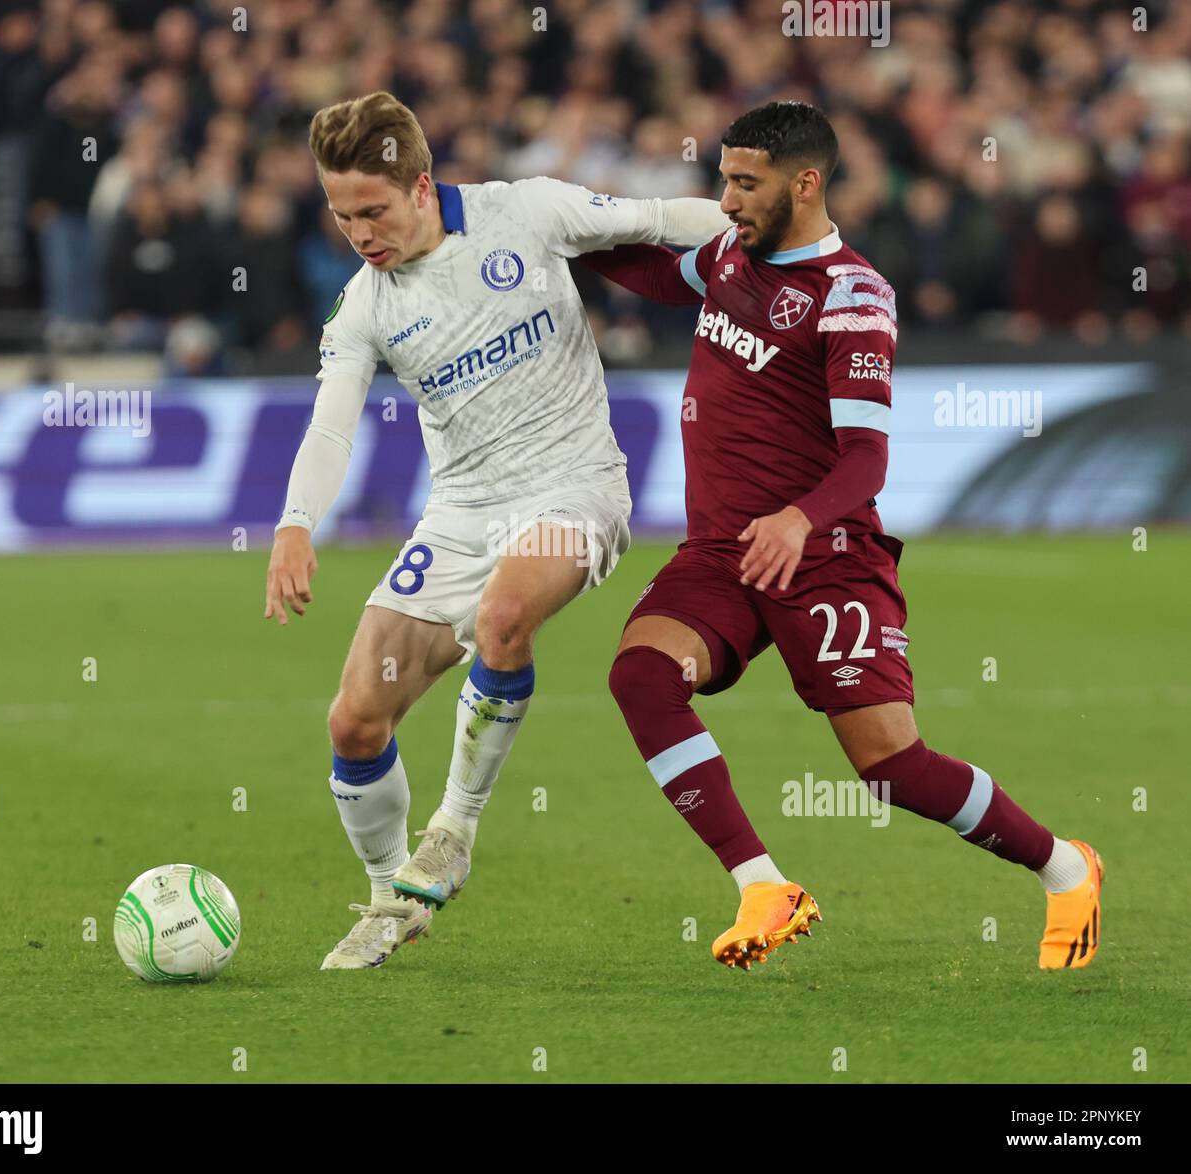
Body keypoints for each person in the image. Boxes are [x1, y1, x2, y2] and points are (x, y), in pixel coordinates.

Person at [583, 101, 1103, 972]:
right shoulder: (726, 256)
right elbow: (655, 274)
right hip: (723, 550)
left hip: (825, 558)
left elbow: (866, 461)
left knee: (891, 768)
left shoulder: (852, 297)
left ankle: (1064, 866)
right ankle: (763, 884)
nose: (727, 199)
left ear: (806, 182)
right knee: (640, 674)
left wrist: (798, 518)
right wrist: (541, 228)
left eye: (745, 183)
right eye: (724, 179)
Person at [264, 91, 730, 969]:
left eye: (373, 210)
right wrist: (294, 525)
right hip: (462, 514)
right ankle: (388, 901)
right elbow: (331, 425)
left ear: (421, 185)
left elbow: (668, 217)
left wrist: (790, 242)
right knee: (356, 721)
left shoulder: (525, 212)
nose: (359, 232)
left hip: (576, 491)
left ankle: (455, 828)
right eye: (340, 214)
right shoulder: (364, 304)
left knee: (505, 618)